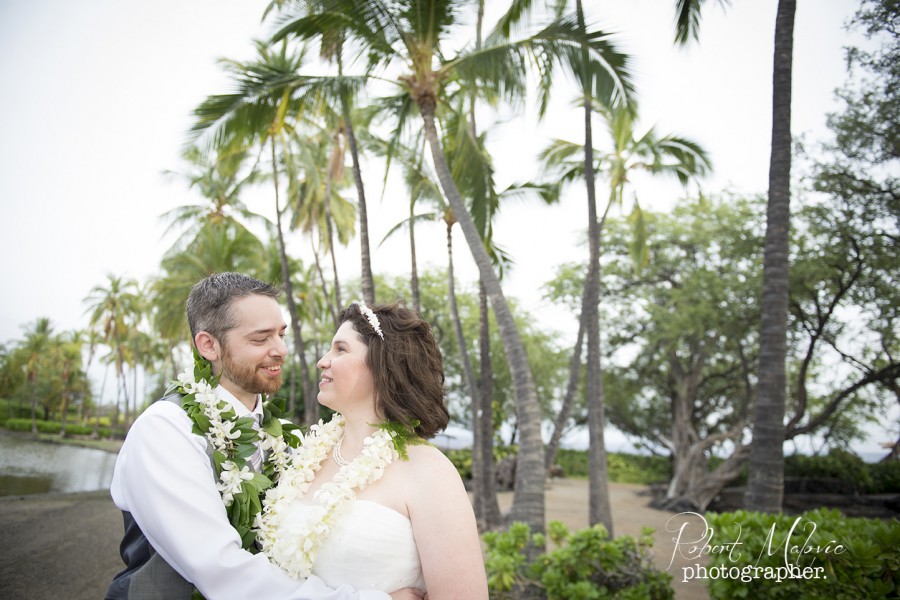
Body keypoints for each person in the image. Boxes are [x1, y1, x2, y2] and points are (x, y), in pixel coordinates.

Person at [106, 272, 421, 600]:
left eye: (281, 335)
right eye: (261, 339)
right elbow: (219, 568)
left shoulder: (286, 438)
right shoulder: (166, 430)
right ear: (209, 345)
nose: (281, 350)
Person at [256, 301, 489, 599]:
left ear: (383, 364)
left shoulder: (429, 471)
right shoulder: (305, 457)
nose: (323, 361)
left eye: (340, 349)